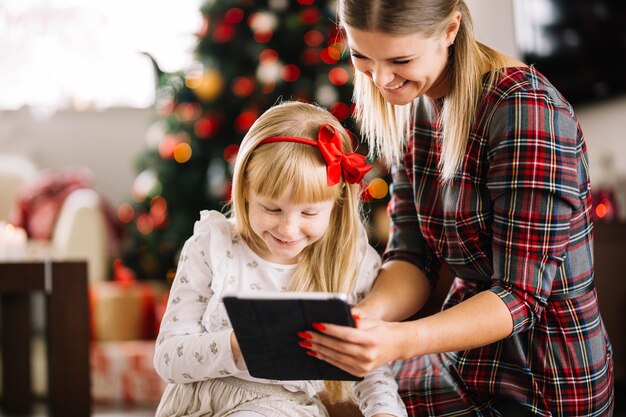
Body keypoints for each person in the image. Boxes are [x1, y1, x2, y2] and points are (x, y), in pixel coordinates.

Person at [298, 1, 615, 416]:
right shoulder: (419, 107)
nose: (380, 79)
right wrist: (363, 318)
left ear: (450, 30)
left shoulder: (526, 111)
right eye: (362, 57)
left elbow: (519, 297)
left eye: (400, 60)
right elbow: (411, 256)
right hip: (466, 362)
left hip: (543, 381)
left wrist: (397, 340)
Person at [153, 101, 407, 417]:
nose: (288, 228)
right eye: (272, 209)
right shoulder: (212, 246)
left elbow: (369, 367)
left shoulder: (352, 264)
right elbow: (168, 359)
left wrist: (384, 412)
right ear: (244, 192)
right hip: (192, 405)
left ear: (337, 203)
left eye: (309, 212)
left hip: (279, 407)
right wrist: (238, 345)